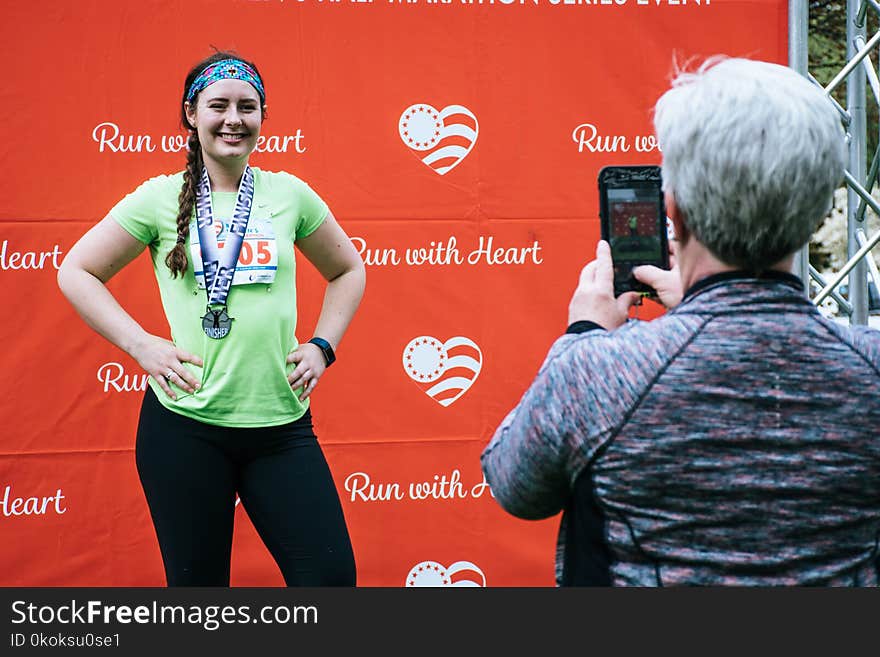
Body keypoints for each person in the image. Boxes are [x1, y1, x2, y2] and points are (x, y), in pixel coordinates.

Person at [481, 57, 880, 586]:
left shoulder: (599, 372)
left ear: (675, 209)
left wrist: (583, 336)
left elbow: (515, 486)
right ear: (816, 212)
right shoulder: (870, 369)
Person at [58, 52, 364, 586]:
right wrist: (140, 345)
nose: (233, 119)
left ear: (262, 116)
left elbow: (348, 269)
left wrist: (323, 345)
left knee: (332, 581)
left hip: (281, 429)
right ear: (191, 114)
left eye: (247, 107)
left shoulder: (288, 194)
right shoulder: (157, 199)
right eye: (217, 105)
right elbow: (76, 270)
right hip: (185, 431)